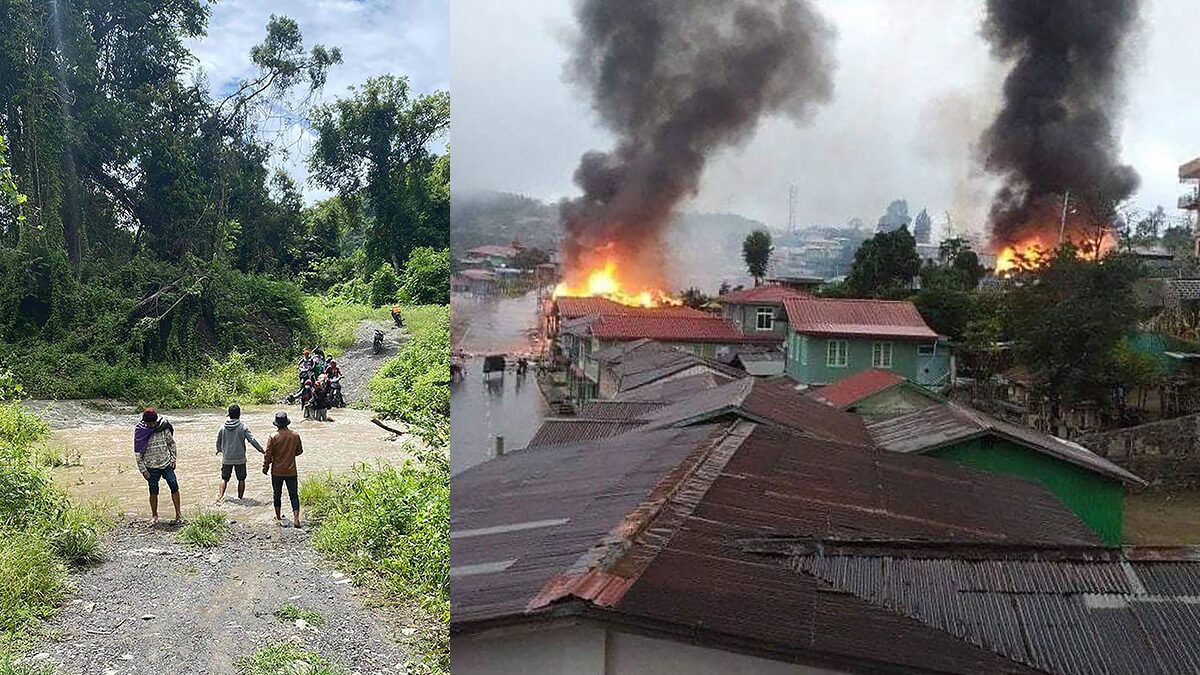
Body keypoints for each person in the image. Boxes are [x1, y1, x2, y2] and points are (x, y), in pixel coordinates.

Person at [133, 407, 180, 525]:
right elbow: (138, 453)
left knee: (174, 486)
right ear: (144, 422)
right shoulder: (141, 431)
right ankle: (154, 515)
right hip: (150, 467)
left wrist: (173, 459)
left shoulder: (163, 427)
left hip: (166, 464)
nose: (151, 425)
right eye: (149, 423)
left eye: (153, 423)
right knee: (153, 491)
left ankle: (178, 514)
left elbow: (171, 444)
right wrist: (143, 470)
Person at [214, 403, 264, 503]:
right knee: (241, 479)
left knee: (224, 478)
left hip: (227, 457)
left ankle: (219, 498)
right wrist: (261, 450)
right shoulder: (243, 427)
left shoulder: (222, 427)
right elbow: (252, 440)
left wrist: (219, 449)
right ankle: (240, 499)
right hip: (240, 458)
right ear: (239, 414)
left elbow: (218, 441)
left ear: (229, 414)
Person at [264, 411, 303, 528]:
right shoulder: (295, 435)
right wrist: (290, 454)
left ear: (277, 424)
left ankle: (278, 516)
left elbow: (268, 454)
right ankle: (296, 519)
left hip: (277, 471)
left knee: (277, 494)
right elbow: (299, 451)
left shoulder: (273, 436)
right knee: (294, 495)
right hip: (291, 470)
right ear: (287, 422)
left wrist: (265, 467)